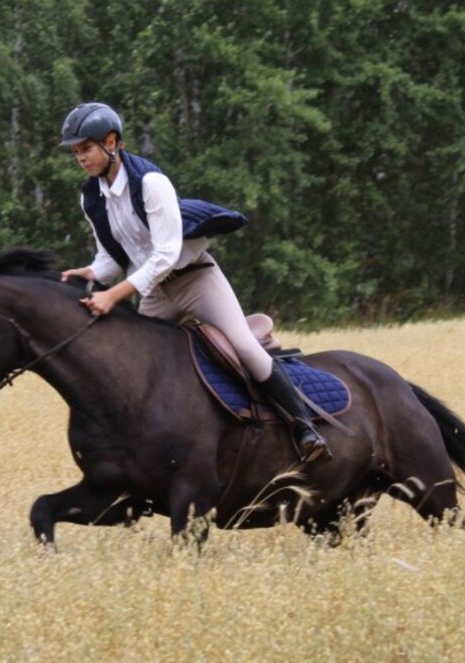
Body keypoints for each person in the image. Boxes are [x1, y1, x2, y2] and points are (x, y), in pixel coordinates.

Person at [57, 102, 330, 463]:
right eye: (76, 151)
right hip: (154, 292)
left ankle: (304, 427)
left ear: (111, 141)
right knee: (135, 366)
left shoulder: (151, 183)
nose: (80, 157)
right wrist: (90, 273)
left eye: (86, 148)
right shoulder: (90, 196)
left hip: (196, 280)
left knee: (245, 346)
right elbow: (112, 258)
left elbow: (166, 255)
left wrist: (115, 295)